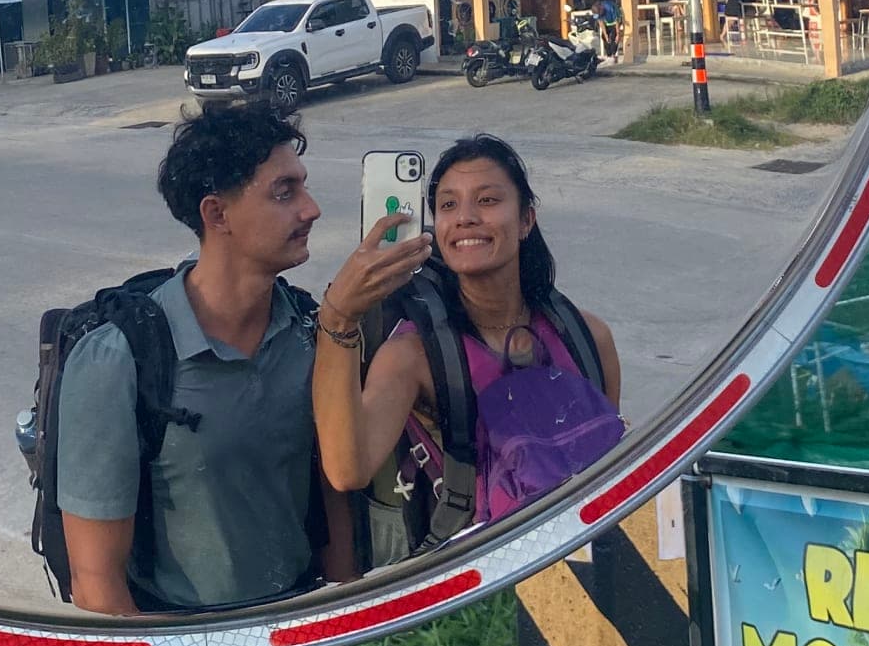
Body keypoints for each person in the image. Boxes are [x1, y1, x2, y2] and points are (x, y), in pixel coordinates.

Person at [56, 102, 342, 615]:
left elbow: (336, 500)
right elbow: (96, 584)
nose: (311, 209)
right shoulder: (121, 358)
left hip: (302, 619)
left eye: (304, 186)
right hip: (187, 636)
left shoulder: (308, 330)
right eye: (284, 192)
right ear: (217, 214)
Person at [312, 133, 622, 550]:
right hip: (482, 572)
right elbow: (348, 470)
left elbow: (609, 472)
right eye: (448, 205)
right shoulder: (416, 356)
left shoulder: (588, 339)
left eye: (488, 200)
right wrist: (339, 317)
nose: (465, 218)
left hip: (586, 555)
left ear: (526, 220)